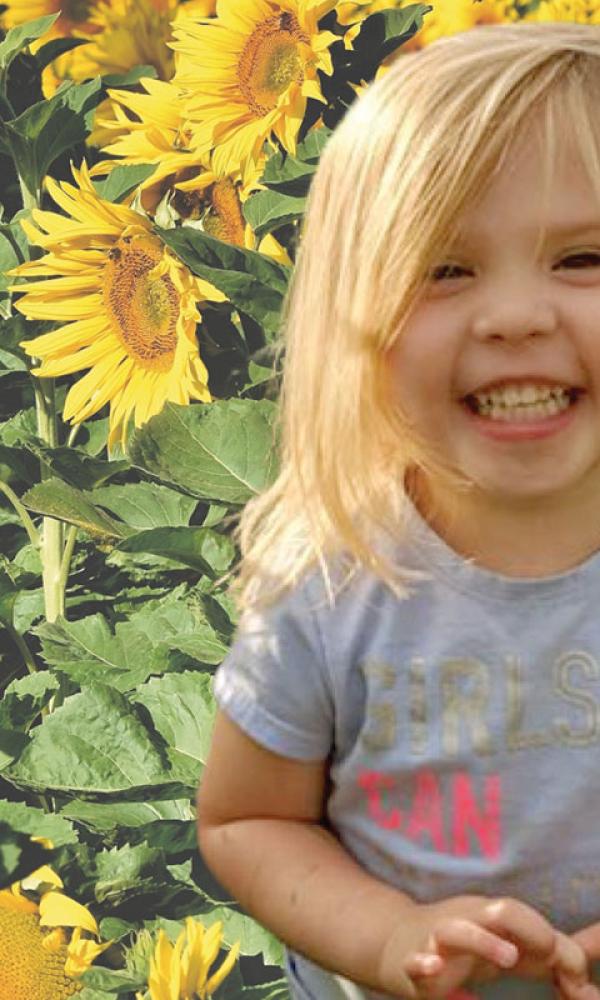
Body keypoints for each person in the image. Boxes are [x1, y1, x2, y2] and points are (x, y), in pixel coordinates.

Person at [196, 20, 600, 1000]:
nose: (514, 315)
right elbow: (249, 821)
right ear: (354, 321)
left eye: (585, 258)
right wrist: (389, 937)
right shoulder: (333, 579)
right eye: (444, 268)